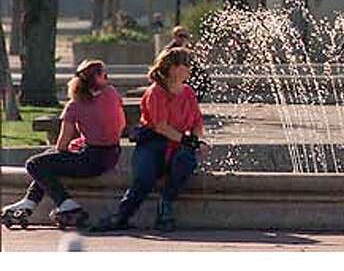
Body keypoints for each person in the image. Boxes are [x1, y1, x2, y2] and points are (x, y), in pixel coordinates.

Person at [92, 48, 208, 232]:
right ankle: (121, 216)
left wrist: (195, 139)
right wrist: (189, 142)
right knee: (144, 180)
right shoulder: (156, 92)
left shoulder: (188, 92)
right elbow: (161, 126)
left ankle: (165, 207)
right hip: (153, 143)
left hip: (178, 145)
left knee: (186, 160)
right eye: (187, 65)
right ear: (174, 68)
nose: (190, 69)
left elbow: (197, 122)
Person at [1, 60, 125, 229]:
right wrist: (81, 143)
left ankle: (67, 204)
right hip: (111, 155)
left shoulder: (74, 105)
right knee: (48, 160)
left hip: (90, 159)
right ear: (97, 78)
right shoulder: (112, 94)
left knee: (35, 163)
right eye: (105, 75)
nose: (108, 79)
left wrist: (75, 145)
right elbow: (121, 125)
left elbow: (62, 145)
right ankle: (28, 203)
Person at [162, 25, 211, 101]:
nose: (183, 38)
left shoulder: (189, 48)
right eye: (180, 36)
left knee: (204, 77)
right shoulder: (169, 50)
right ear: (175, 37)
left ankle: (194, 99)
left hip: (186, 73)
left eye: (185, 36)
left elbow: (194, 64)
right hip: (175, 75)